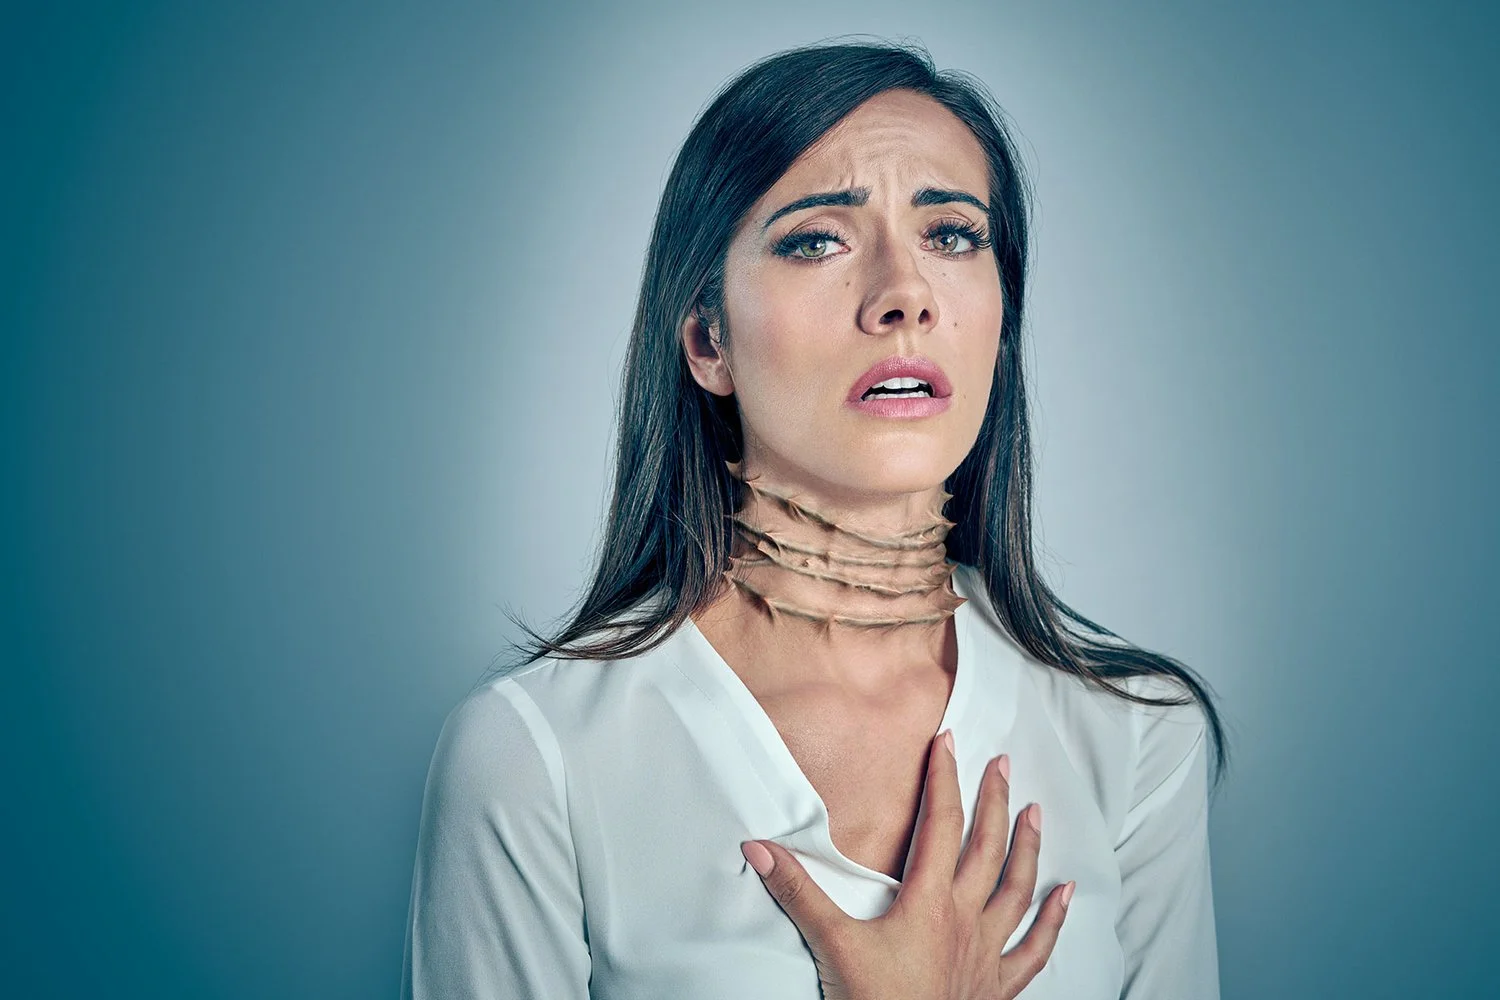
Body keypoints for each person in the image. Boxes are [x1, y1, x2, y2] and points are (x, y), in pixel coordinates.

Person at [400, 38, 1229, 1000]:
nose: (904, 295)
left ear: (1004, 319)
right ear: (708, 340)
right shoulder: (532, 758)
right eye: (816, 240)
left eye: (952, 235)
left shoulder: (1135, 738)